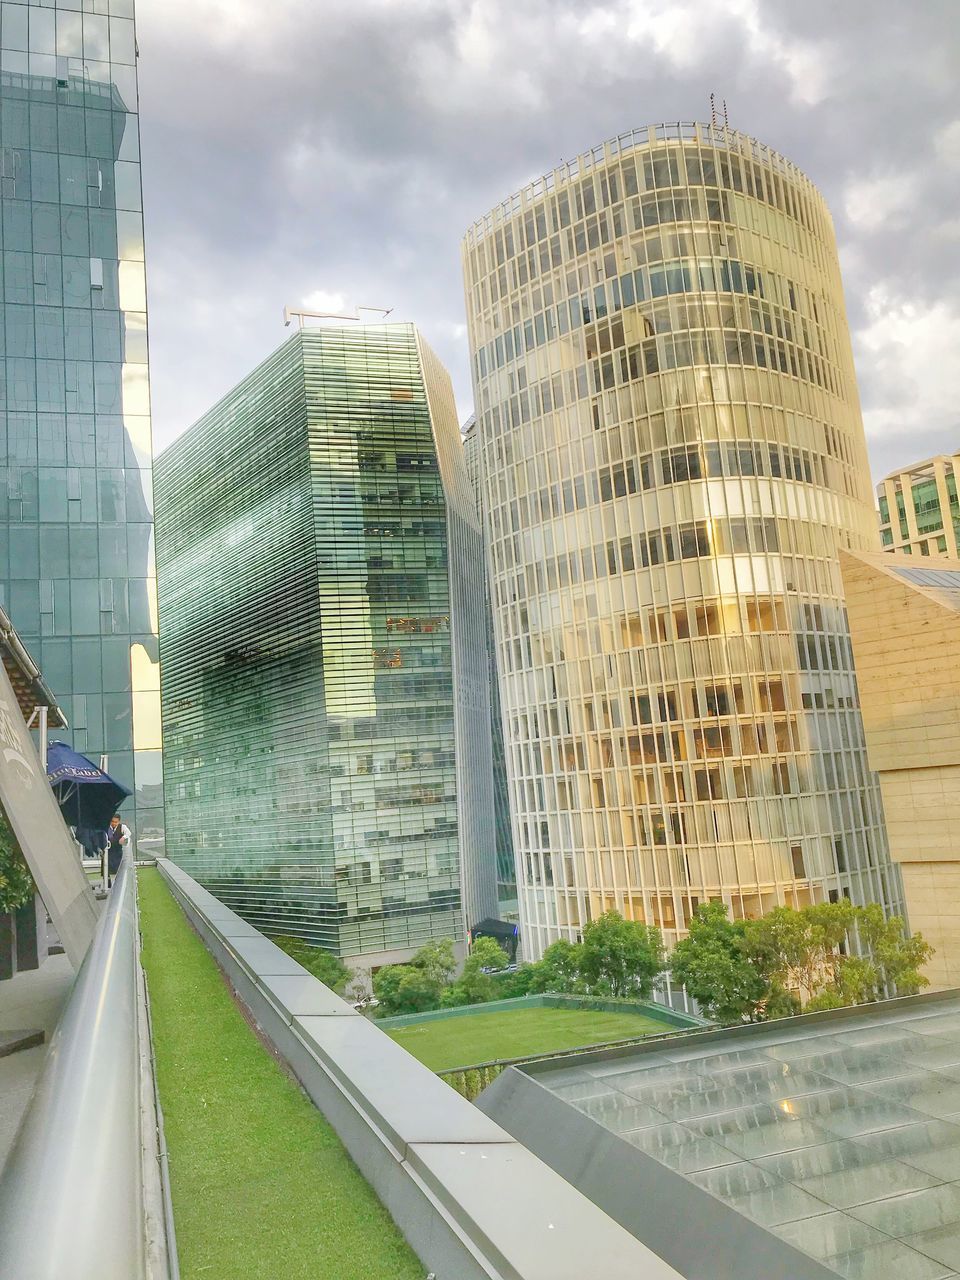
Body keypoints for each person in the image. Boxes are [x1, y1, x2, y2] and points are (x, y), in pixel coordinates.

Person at [107, 813, 132, 885]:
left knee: (118, 869)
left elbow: (128, 833)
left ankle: (119, 884)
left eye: (116, 822)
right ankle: (108, 885)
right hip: (108, 852)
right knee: (107, 870)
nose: (114, 823)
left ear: (119, 821)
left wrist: (123, 837)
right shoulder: (106, 827)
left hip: (117, 852)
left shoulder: (122, 827)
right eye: (112, 821)